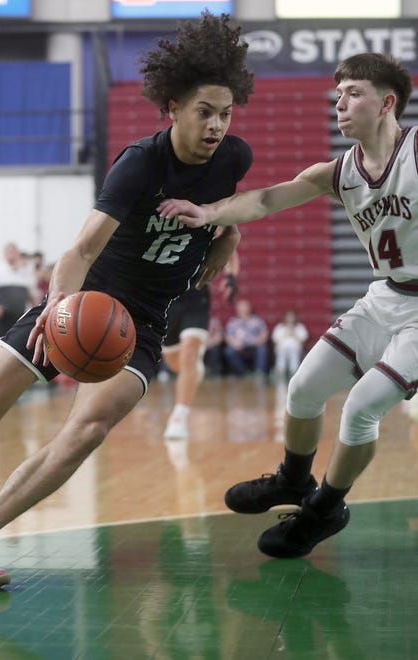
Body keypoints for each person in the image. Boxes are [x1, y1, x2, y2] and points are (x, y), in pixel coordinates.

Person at [0, 11, 255, 588]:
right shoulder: (139, 164)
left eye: (225, 113)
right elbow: (79, 252)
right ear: (172, 107)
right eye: (204, 111)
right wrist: (57, 311)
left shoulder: (233, 159)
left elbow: (229, 213)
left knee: (88, 429)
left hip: (142, 325)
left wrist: (226, 238)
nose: (216, 126)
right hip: (85, 300)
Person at [155, 52, 417, 558]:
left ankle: (323, 510)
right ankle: (293, 481)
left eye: (353, 93)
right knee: (303, 388)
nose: (339, 102)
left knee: (361, 408)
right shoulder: (341, 171)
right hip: (384, 294)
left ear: (387, 103)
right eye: (337, 93)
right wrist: (207, 212)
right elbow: (267, 199)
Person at [162, 249, 239, 438]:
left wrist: (231, 277)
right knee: (175, 364)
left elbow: (230, 242)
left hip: (196, 297)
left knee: (189, 354)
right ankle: (194, 369)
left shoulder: (203, 220)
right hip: (165, 299)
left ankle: (178, 418)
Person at [0, 242, 39, 340]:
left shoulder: (26, 273)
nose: (11, 254)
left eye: (13, 252)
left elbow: (33, 296)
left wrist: (35, 315)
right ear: (4, 254)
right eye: (9, 252)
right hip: (2, 318)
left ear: (18, 254)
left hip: (20, 318)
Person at [223, 298, 269, 378]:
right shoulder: (233, 322)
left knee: (262, 348)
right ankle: (242, 373)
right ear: (237, 309)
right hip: (239, 345)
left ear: (249, 308)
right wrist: (234, 343)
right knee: (229, 351)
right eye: (241, 308)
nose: (243, 310)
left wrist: (259, 341)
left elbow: (264, 333)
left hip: (254, 344)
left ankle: (259, 372)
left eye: (245, 307)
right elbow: (228, 336)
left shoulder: (257, 320)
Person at [271, 309, 309, 381]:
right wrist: (285, 333)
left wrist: (294, 333)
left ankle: (294, 372)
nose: (290, 319)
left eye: (292, 317)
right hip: (282, 348)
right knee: (281, 354)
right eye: (288, 317)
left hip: (295, 349)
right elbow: (275, 340)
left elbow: (303, 341)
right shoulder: (280, 327)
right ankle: (280, 372)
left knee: (294, 356)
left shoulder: (300, 327)